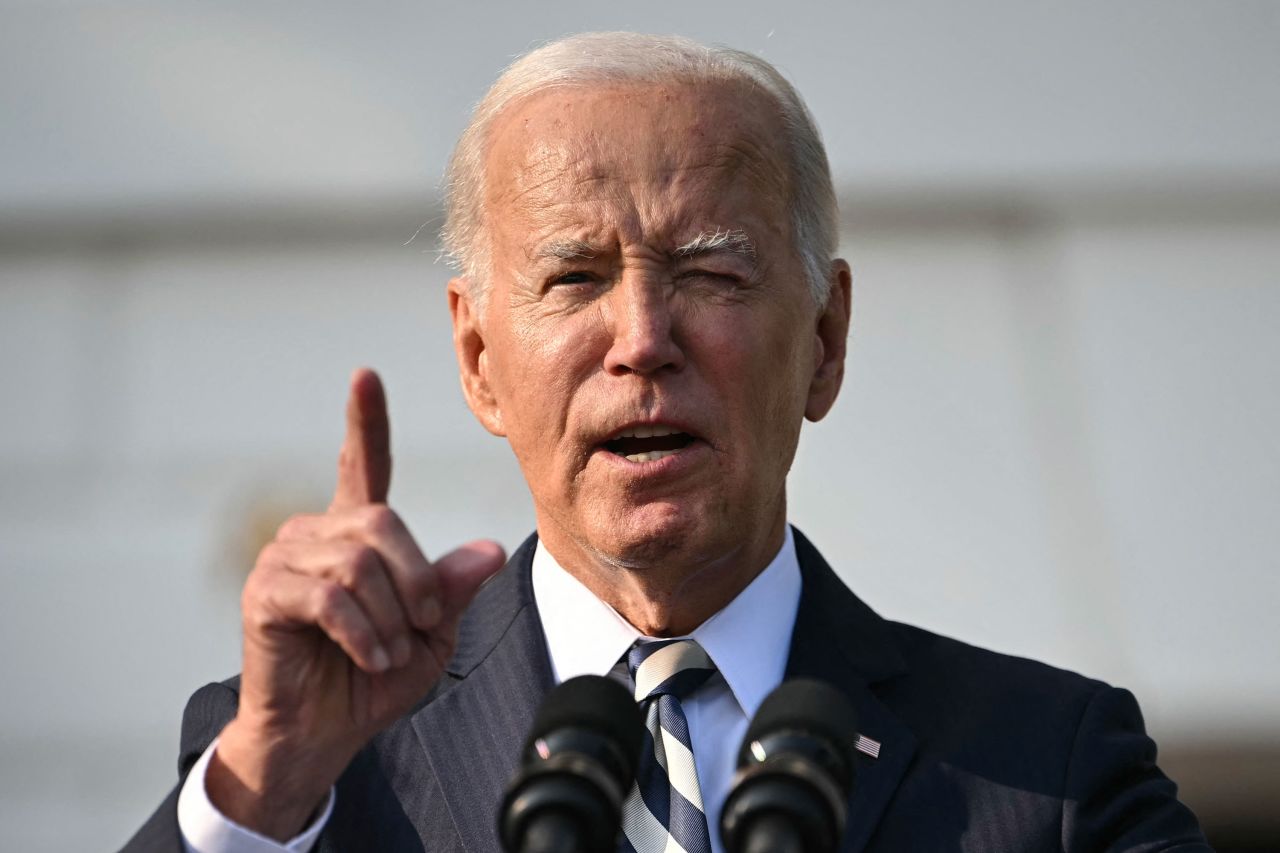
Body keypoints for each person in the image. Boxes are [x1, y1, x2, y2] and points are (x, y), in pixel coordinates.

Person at [123, 32, 1210, 853]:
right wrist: (265, 784)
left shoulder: (1046, 768)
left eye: (710, 273)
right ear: (477, 358)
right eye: (574, 279)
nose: (641, 342)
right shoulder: (303, 765)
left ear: (824, 339)